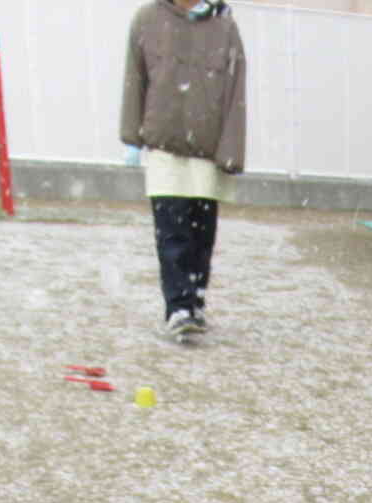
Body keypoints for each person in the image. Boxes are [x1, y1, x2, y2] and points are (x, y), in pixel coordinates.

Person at [119, 0, 247, 341]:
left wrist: (232, 149)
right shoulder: (147, 19)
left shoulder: (225, 27)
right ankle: (178, 306)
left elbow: (236, 92)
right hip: (164, 144)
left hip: (207, 147)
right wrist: (132, 136)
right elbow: (135, 77)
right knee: (172, 232)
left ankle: (195, 301)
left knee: (201, 234)